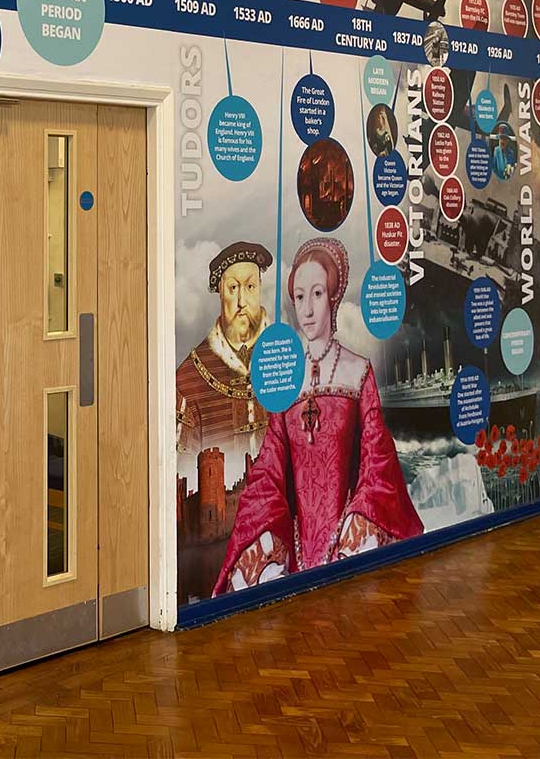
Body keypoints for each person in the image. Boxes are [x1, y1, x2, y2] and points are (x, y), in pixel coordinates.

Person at [214, 237, 422, 593]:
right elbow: (270, 467)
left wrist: (357, 526)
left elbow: (378, 462)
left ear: (333, 297)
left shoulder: (358, 372)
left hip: (350, 543)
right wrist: (264, 538)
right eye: (299, 296)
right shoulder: (286, 377)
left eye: (317, 294)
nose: (307, 309)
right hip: (293, 553)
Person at [176, 242, 273, 455]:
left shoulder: (286, 358)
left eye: (250, 287)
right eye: (233, 288)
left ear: (260, 289)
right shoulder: (188, 379)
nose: (242, 301)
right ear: (220, 293)